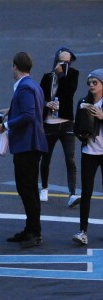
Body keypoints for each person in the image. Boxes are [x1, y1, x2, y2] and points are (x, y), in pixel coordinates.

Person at [0, 52, 48, 248]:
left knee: (27, 189)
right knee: (29, 189)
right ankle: (31, 228)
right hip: (33, 144)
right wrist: (11, 110)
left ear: (14, 66)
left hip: (28, 145)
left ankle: (35, 232)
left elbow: (28, 116)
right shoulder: (33, 86)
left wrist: (5, 126)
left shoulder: (24, 88)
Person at [39, 47, 81, 207]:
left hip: (67, 123)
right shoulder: (47, 77)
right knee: (46, 157)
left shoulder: (73, 75)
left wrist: (62, 74)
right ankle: (44, 188)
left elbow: (69, 92)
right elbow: (39, 97)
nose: (63, 64)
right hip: (49, 124)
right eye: (60, 61)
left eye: (67, 62)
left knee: (70, 158)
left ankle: (72, 193)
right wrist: (46, 104)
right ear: (55, 61)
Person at [72, 69, 103, 245]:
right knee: (86, 192)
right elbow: (77, 128)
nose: (91, 86)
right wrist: (83, 136)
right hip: (89, 152)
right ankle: (82, 230)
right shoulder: (83, 102)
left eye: (95, 82)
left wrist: (101, 116)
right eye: (89, 83)